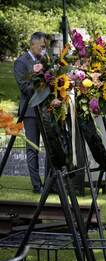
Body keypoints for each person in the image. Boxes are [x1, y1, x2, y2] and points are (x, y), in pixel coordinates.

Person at [14, 32, 48, 193]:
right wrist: (39, 77)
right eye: (42, 46)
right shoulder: (21, 62)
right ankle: (37, 185)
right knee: (32, 148)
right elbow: (24, 88)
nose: (44, 49)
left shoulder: (45, 61)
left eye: (45, 46)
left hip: (46, 111)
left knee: (50, 147)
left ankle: (50, 184)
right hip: (30, 112)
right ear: (32, 44)